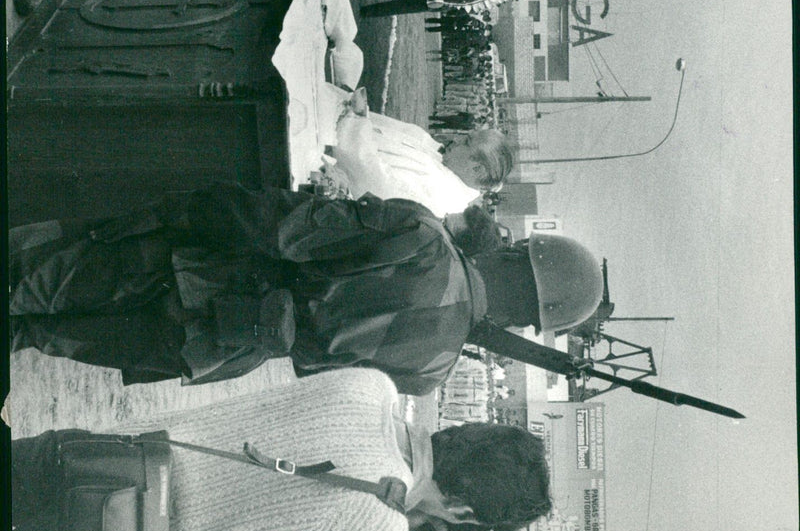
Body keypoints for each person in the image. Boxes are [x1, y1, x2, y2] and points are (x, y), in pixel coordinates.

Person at [10, 184, 604, 393]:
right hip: (210, 350)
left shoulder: (423, 239)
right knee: (33, 333)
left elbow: (277, 226)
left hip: (190, 272)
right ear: (527, 322)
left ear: (517, 254)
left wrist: (179, 209)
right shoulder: (430, 373)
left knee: (25, 275)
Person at [10, 368, 552, 531]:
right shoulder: (380, 526)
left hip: (92, 451)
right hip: (107, 530)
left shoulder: (372, 385)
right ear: (463, 511)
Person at [331, 86, 512, 217]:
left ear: (477, 169)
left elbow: (373, 180)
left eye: (466, 142)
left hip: (330, 163)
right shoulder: (441, 160)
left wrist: (356, 119)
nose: (457, 139)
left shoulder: (444, 197)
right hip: (338, 129)